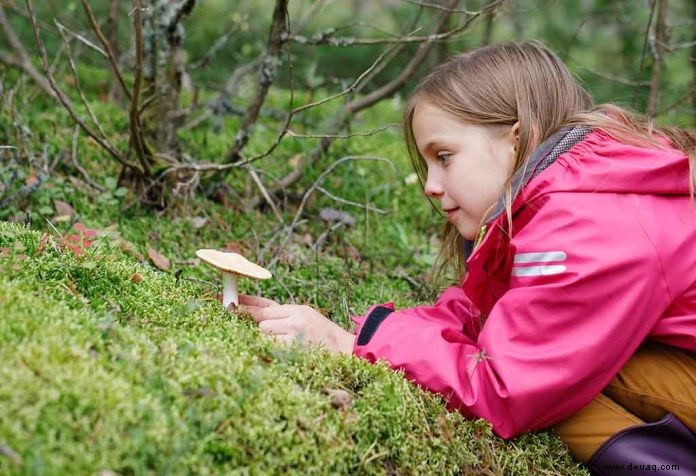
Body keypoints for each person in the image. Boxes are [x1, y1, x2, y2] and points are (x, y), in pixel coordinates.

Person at [238, 41, 696, 473]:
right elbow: (488, 314)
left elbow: (508, 387)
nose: (430, 185)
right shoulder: (561, 200)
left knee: (565, 386)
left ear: (516, 139)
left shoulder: (588, 225)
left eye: (444, 156)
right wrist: (368, 332)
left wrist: (354, 347)